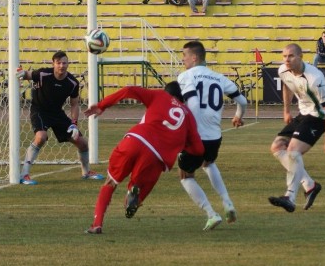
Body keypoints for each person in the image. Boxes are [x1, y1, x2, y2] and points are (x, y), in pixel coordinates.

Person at [84, 82, 204, 234]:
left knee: (111, 182)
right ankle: (134, 195)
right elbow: (198, 149)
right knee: (138, 191)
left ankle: (97, 224)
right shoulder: (189, 117)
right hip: (157, 156)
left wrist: (103, 105)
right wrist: (187, 155)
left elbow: (129, 89)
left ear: (166, 91)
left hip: (136, 139)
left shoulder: (160, 95)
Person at [176, 41, 247, 230]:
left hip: (195, 135)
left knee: (185, 175)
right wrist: (238, 116)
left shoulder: (185, 76)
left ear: (194, 57)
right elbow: (242, 101)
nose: (182, 59)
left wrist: (189, 130)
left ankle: (211, 213)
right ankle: (227, 202)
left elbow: (192, 105)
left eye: (184, 55)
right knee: (208, 163)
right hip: (215, 136)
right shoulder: (218, 78)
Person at [268, 43, 325, 213]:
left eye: (291, 56)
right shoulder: (282, 70)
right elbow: (286, 85)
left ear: (300, 56)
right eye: (284, 56)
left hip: (318, 117)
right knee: (276, 147)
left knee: (292, 151)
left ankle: (290, 197)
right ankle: (310, 185)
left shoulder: (315, 78)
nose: (287, 59)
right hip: (302, 114)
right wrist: (286, 110)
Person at [18, 51, 103, 185]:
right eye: (58, 63)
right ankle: (24, 174)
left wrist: (74, 123)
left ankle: (86, 172)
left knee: (82, 143)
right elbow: (27, 75)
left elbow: (74, 104)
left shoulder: (72, 83)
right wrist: (22, 74)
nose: (61, 66)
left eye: (64, 63)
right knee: (41, 137)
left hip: (57, 113)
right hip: (40, 110)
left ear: (68, 64)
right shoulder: (43, 74)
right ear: (53, 64)